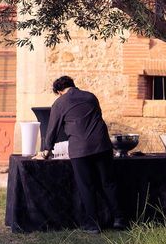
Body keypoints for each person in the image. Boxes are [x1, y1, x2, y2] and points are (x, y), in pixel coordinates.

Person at [32, 76, 124, 234]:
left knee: (86, 186)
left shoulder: (60, 103)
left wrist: (46, 150)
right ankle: (119, 219)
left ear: (59, 92)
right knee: (108, 183)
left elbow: (52, 130)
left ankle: (93, 225)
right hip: (102, 145)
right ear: (73, 85)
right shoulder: (90, 96)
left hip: (80, 150)